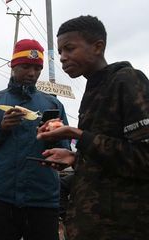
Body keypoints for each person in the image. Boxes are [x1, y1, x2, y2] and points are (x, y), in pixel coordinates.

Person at [37, 15, 149, 239]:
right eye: (60, 52)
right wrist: (75, 159)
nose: (63, 58)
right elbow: (109, 160)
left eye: (69, 49)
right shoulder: (94, 89)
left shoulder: (128, 81)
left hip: (122, 228)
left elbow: (144, 158)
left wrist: (75, 133)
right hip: (91, 227)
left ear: (98, 47)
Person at [0, 39, 70, 240]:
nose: (32, 73)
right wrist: (1, 128)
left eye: (37, 68)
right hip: (1, 198)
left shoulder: (53, 104)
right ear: (13, 66)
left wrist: (53, 141)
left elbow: (64, 149)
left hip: (43, 200)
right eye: (25, 67)